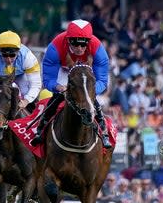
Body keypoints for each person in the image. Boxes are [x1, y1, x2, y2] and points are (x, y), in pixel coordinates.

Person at [39, 19, 112, 147]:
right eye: (75, 44)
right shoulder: (54, 48)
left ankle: (103, 131)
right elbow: (48, 80)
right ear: (68, 40)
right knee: (57, 97)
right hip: (63, 71)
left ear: (88, 42)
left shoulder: (98, 49)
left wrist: (88, 91)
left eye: (83, 45)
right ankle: (40, 129)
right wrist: (57, 87)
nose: (79, 48)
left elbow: (102, 81)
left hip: (86, 73)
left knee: (90, 98)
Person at [0, 30, 43, 110]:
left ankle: (33, 116)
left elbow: (35, 84)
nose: (8, 59)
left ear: (18, 51)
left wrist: (26, 101)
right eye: (4, 55)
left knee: (27, 91)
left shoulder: (28, 57)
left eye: (12, 55)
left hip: (20, 76)